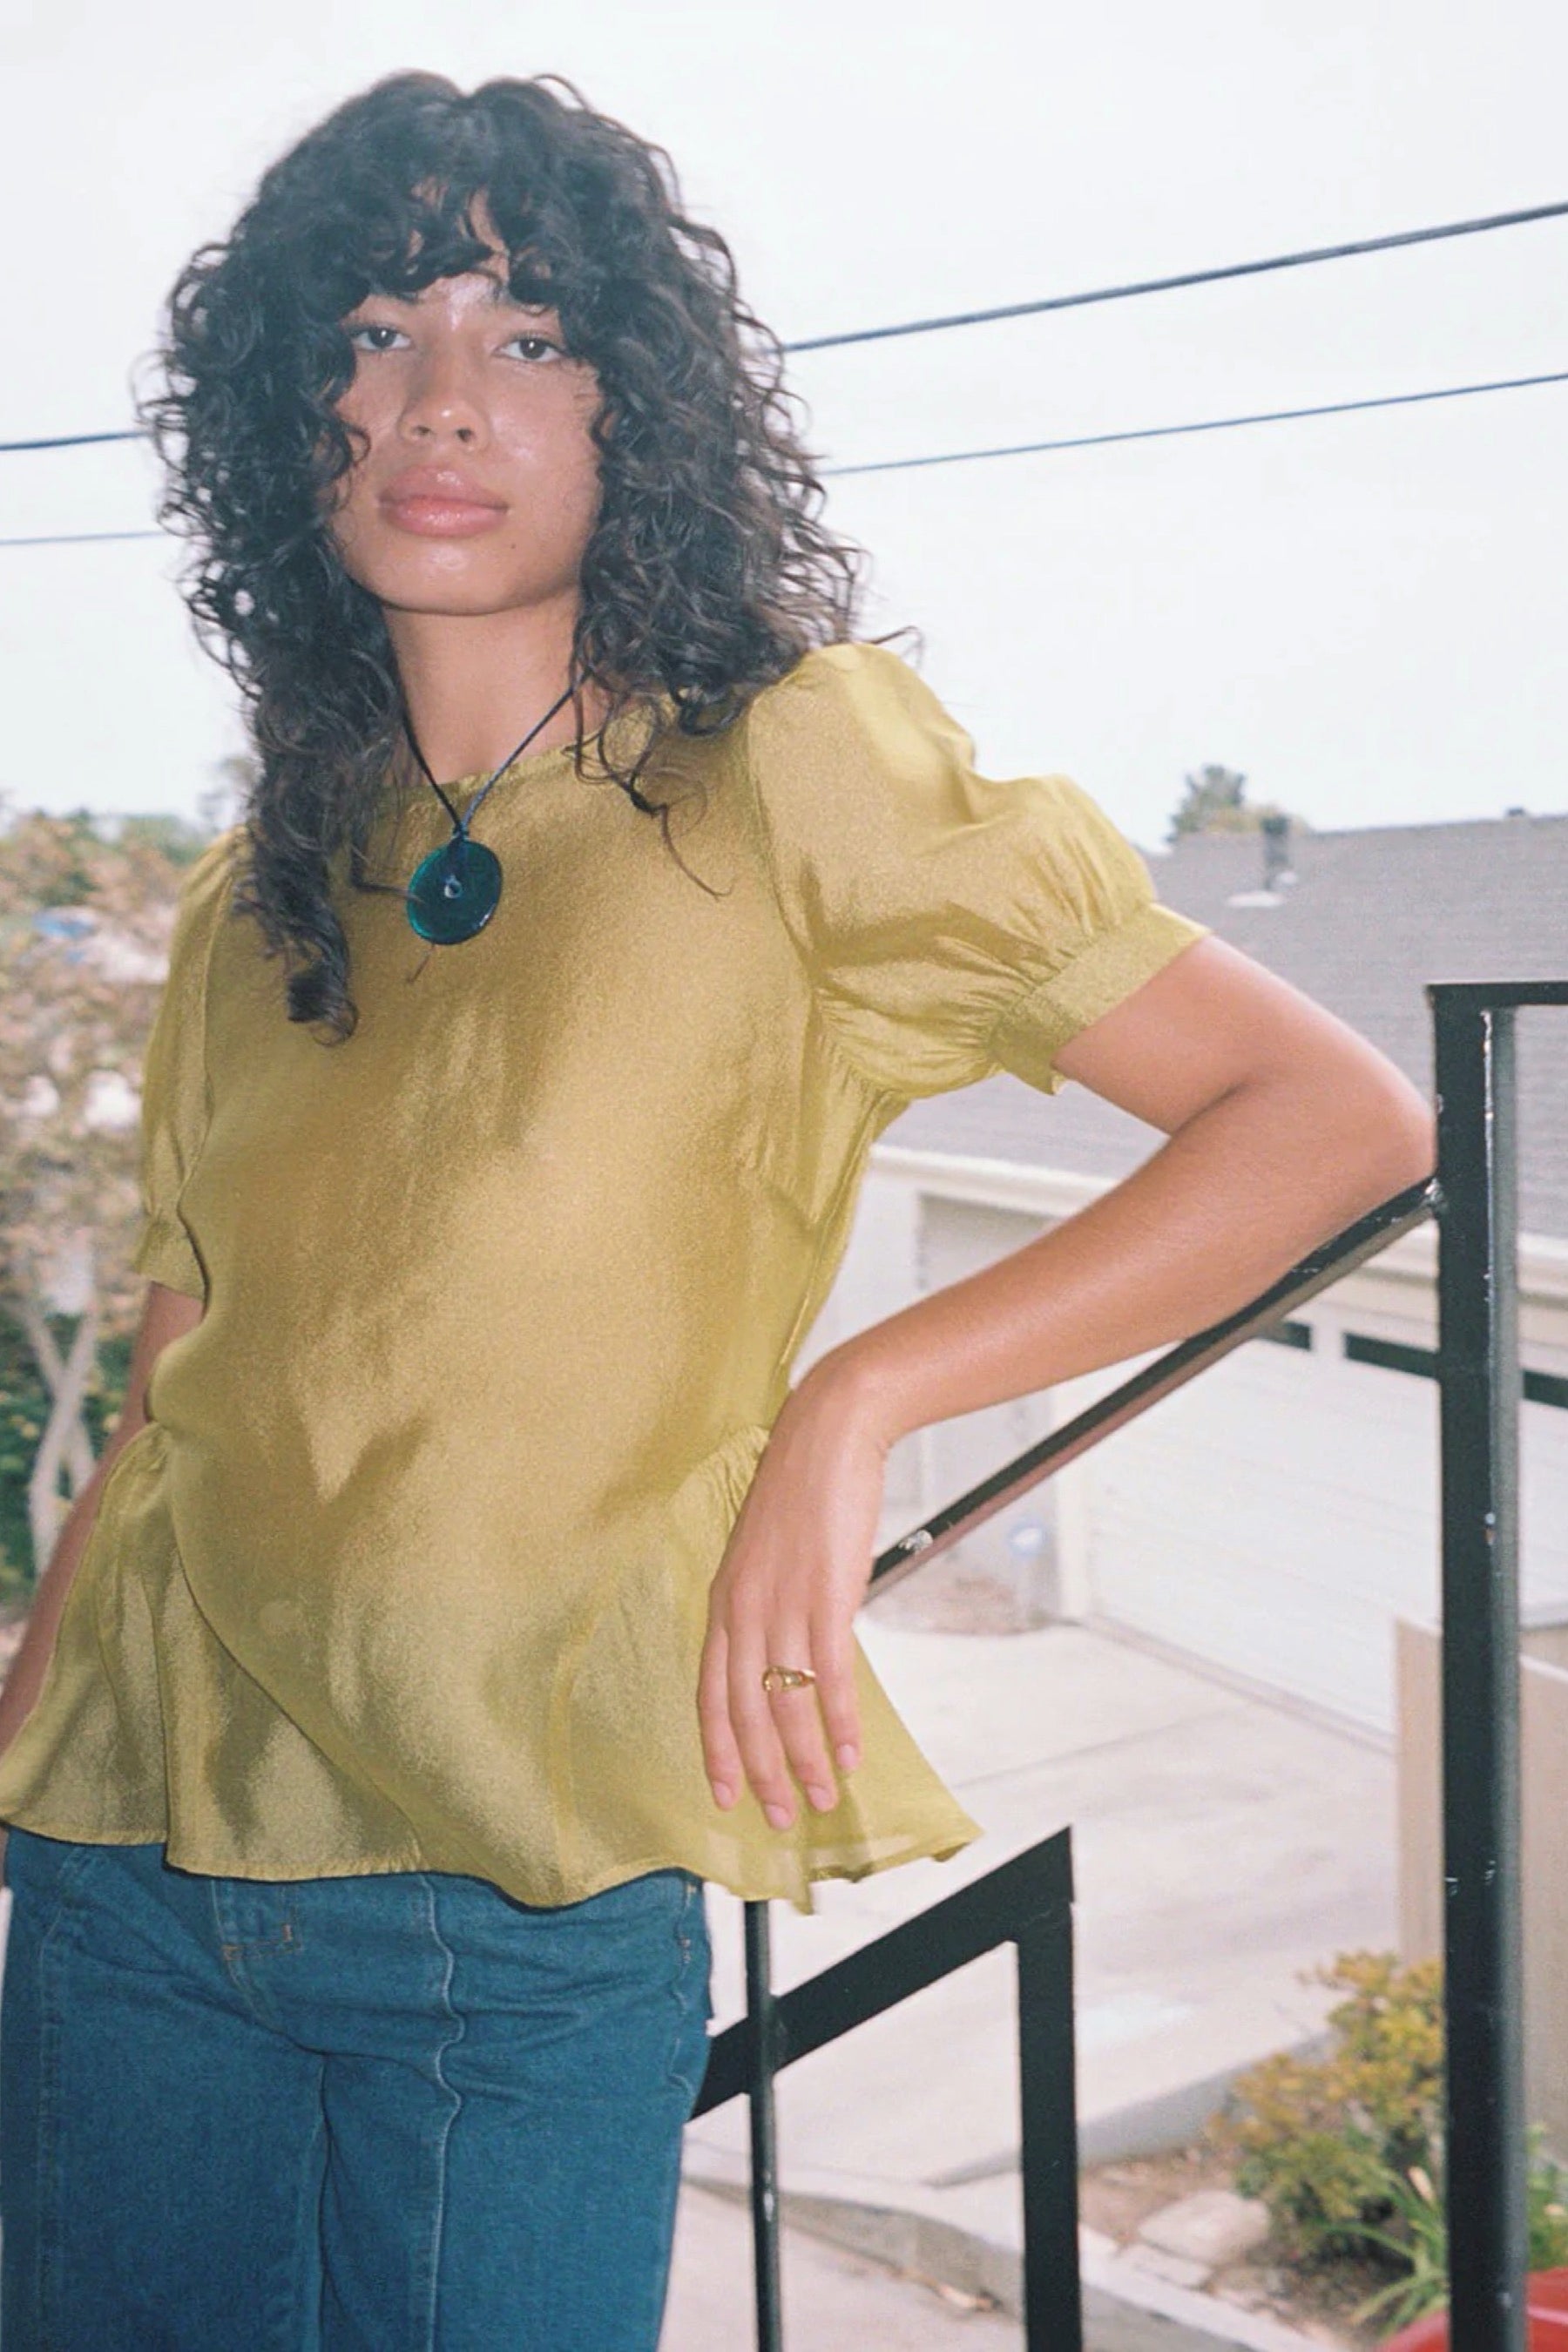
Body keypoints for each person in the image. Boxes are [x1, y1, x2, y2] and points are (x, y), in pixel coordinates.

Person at [0, 67, 1434, 2352]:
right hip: (124, 1870)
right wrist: (23, 1751)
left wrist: (855, 1405)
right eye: (373, 330)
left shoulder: (783, 766)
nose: (440, 395)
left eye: (528, 333)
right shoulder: (250, 885)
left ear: (631, 413)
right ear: (295, 415)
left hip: (515, 1892)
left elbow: (1327, 1121)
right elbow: (181, 1361)